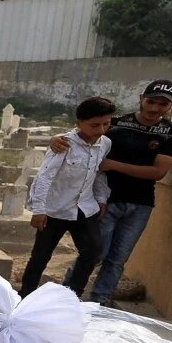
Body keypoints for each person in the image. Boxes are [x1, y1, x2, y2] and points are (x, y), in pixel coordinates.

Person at [52, 79, 172, 305]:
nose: (154, 108)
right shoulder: (115, 123)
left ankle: (99, 302)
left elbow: (158, 172)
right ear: (141, 98)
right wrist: (55, 139)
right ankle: (65, 295)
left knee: (118, 259)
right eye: (151, 101)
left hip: (141, 204)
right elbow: (80, 135)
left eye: (163, 104)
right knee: (95, 253)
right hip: (106, 200)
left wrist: (113, 165)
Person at [20, 96, 115, 296]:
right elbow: (45, 176)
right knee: (41, 256)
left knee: (92, 252)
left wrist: (101, 199)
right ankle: (25, 296)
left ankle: (72, 296)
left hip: (84, 208)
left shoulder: (105, 143)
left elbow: (98, 172)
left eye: (106, 124)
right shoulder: (63, 144)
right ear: (78, 123)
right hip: (55, 210)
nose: (100, 130)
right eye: (94, 125)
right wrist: (39, 209)